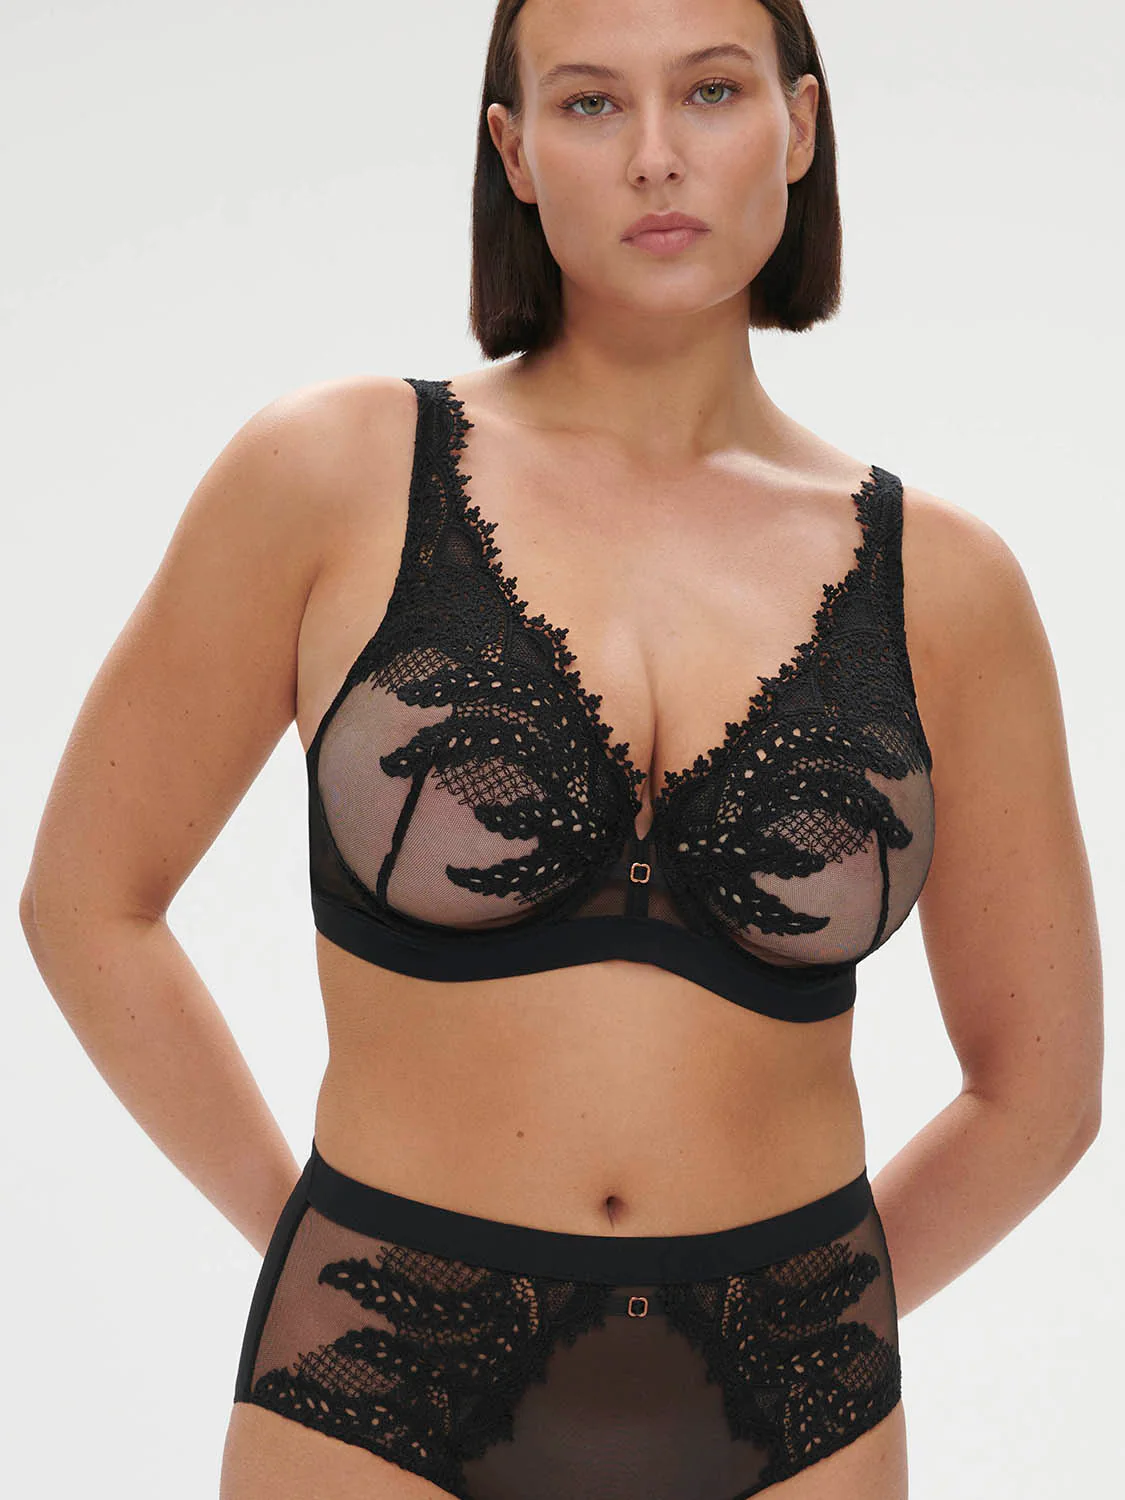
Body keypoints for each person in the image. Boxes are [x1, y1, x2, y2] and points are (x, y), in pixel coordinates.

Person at [18, 1, 1103, 1497]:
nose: (656, 156)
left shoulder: (947, 586)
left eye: (710, 92)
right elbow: (88, 901)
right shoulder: (331, 476)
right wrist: (308, 1248)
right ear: (514, 152)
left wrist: (813, 1330)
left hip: (797, 1413)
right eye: (591, 104)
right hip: (376, 1392)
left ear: (798, 123)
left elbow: (1041, 1089)